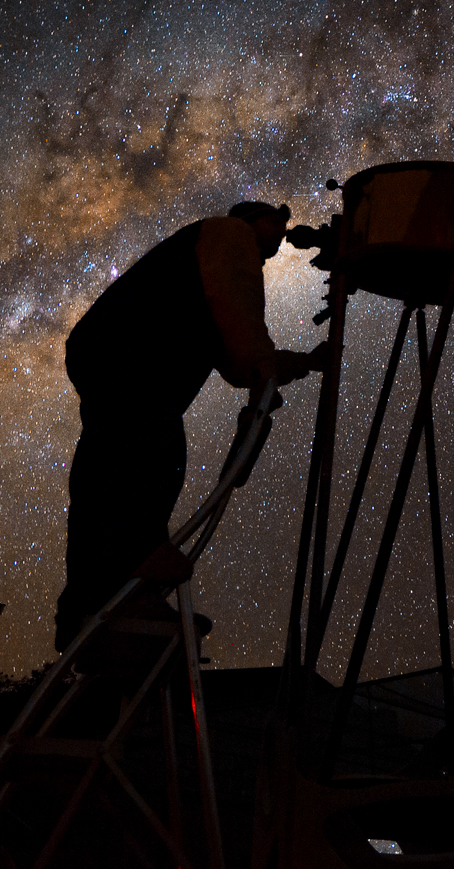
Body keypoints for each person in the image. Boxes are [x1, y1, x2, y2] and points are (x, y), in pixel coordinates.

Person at [56, 200, 328, 650]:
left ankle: (103, 598)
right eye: (276, 226)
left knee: (121, 460)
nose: (280, 241)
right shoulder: (228, 235)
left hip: (117, 357)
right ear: (252, 217)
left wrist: (305, 363)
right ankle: (130, 576)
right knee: (150, 451)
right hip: (125, 354)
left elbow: (239, 362)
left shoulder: (207, 263)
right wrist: (263, 373)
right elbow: (242, 324)